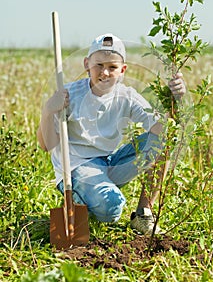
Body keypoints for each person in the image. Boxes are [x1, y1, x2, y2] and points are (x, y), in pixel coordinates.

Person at [37, 33, 186, 235]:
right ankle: (83, 200)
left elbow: (161, 129)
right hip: (76, 166)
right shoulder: (69, 94)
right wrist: (48, 111)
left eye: (112, 67)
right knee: (111, 210)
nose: (105, 73)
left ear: (123, 70)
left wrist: (174, 99)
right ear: (87, 64)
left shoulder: (127, 96)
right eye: (99, 65)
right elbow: (47, 146)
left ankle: (144, 214)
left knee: (164, 140)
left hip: (108, 162)